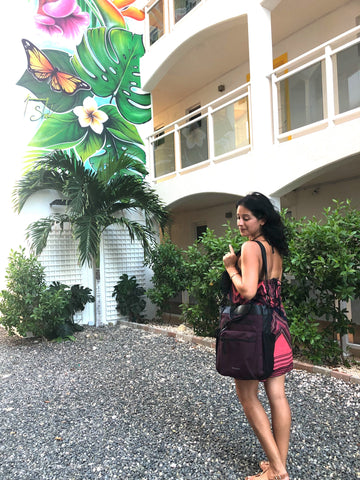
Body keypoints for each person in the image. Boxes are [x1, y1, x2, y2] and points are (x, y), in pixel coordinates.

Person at [222, 192, 293, 480]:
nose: (240, 223)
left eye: (246, 218)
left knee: (247, 395)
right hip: (278, 326)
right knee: (277, 394)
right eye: (238, 217)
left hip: (254, 330)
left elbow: (249, 291)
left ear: (262, 219)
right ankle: (279, 465)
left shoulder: (250, 247)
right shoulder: (274, 247)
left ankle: (277, 470)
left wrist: (230, 266)